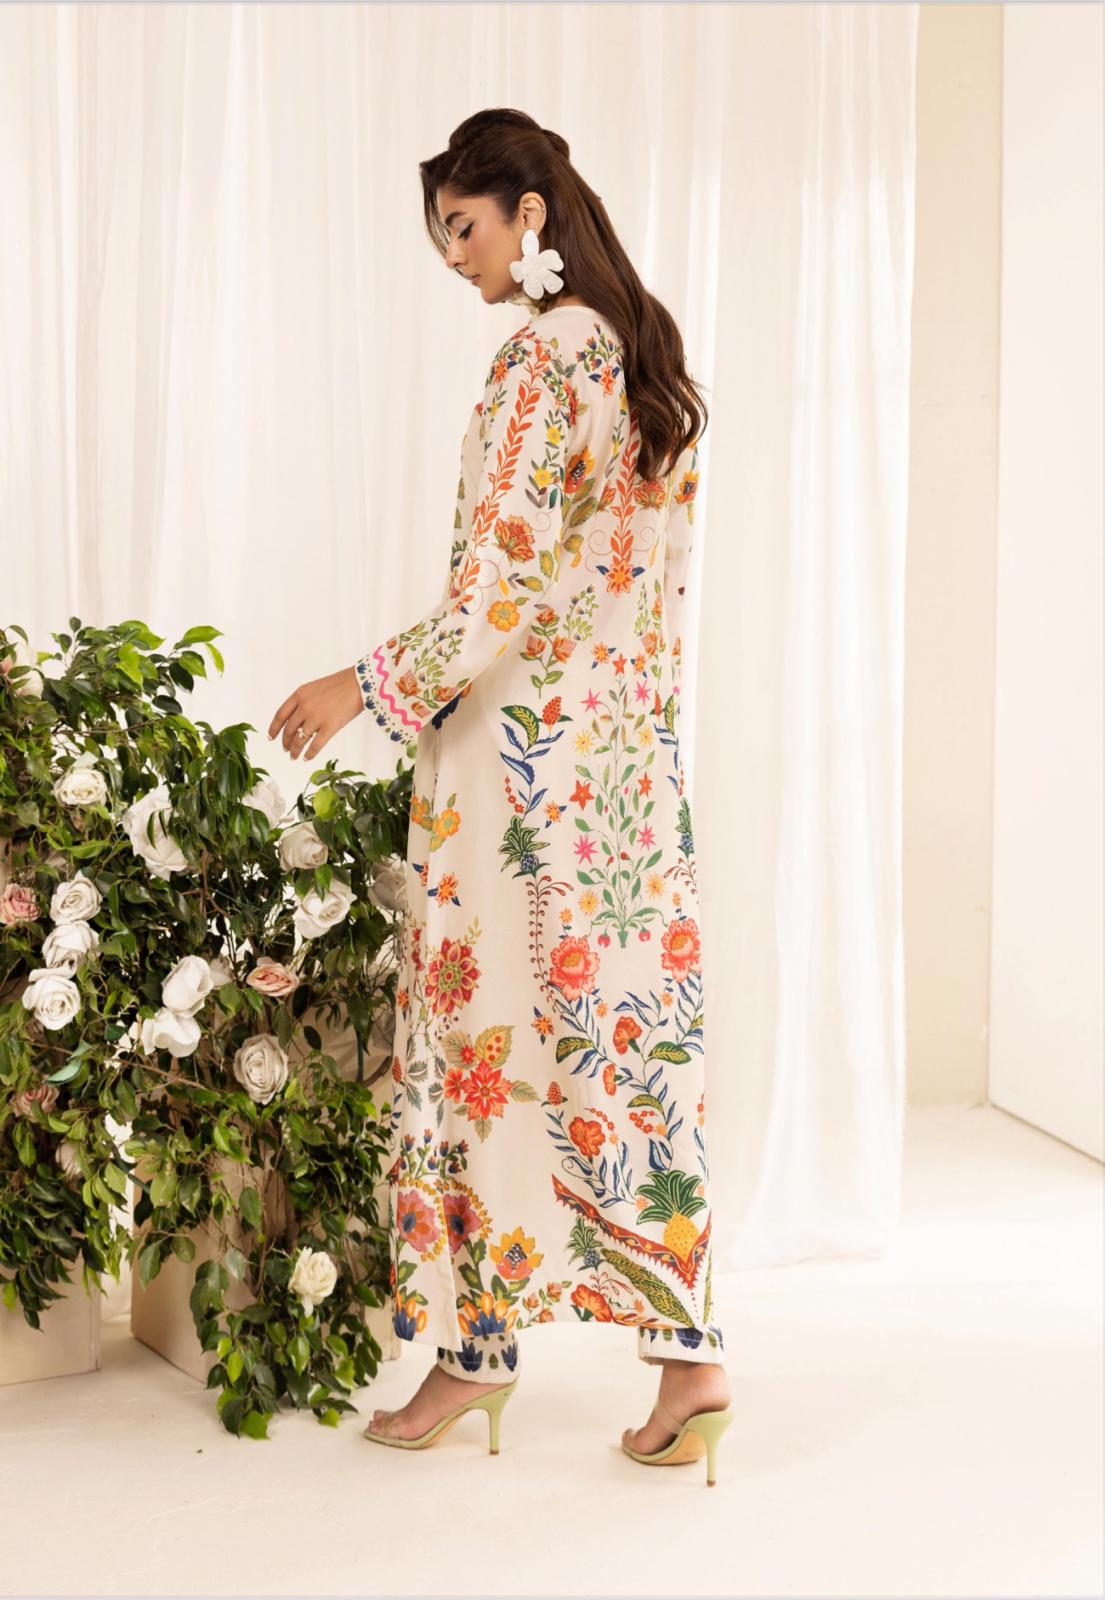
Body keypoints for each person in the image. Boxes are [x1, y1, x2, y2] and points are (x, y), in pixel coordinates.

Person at [269, 108, 733, 1482]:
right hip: (622, 779)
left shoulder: (543, 355)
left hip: (516, 780)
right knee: (625, 1049)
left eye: (462, 227)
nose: (454, 258)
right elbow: (643, 594)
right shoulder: (641, 354)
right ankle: (688, 1363)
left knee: (478, 1048)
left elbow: (499, 584)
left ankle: (473, 1351)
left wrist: (361, 684)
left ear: (529, 212)